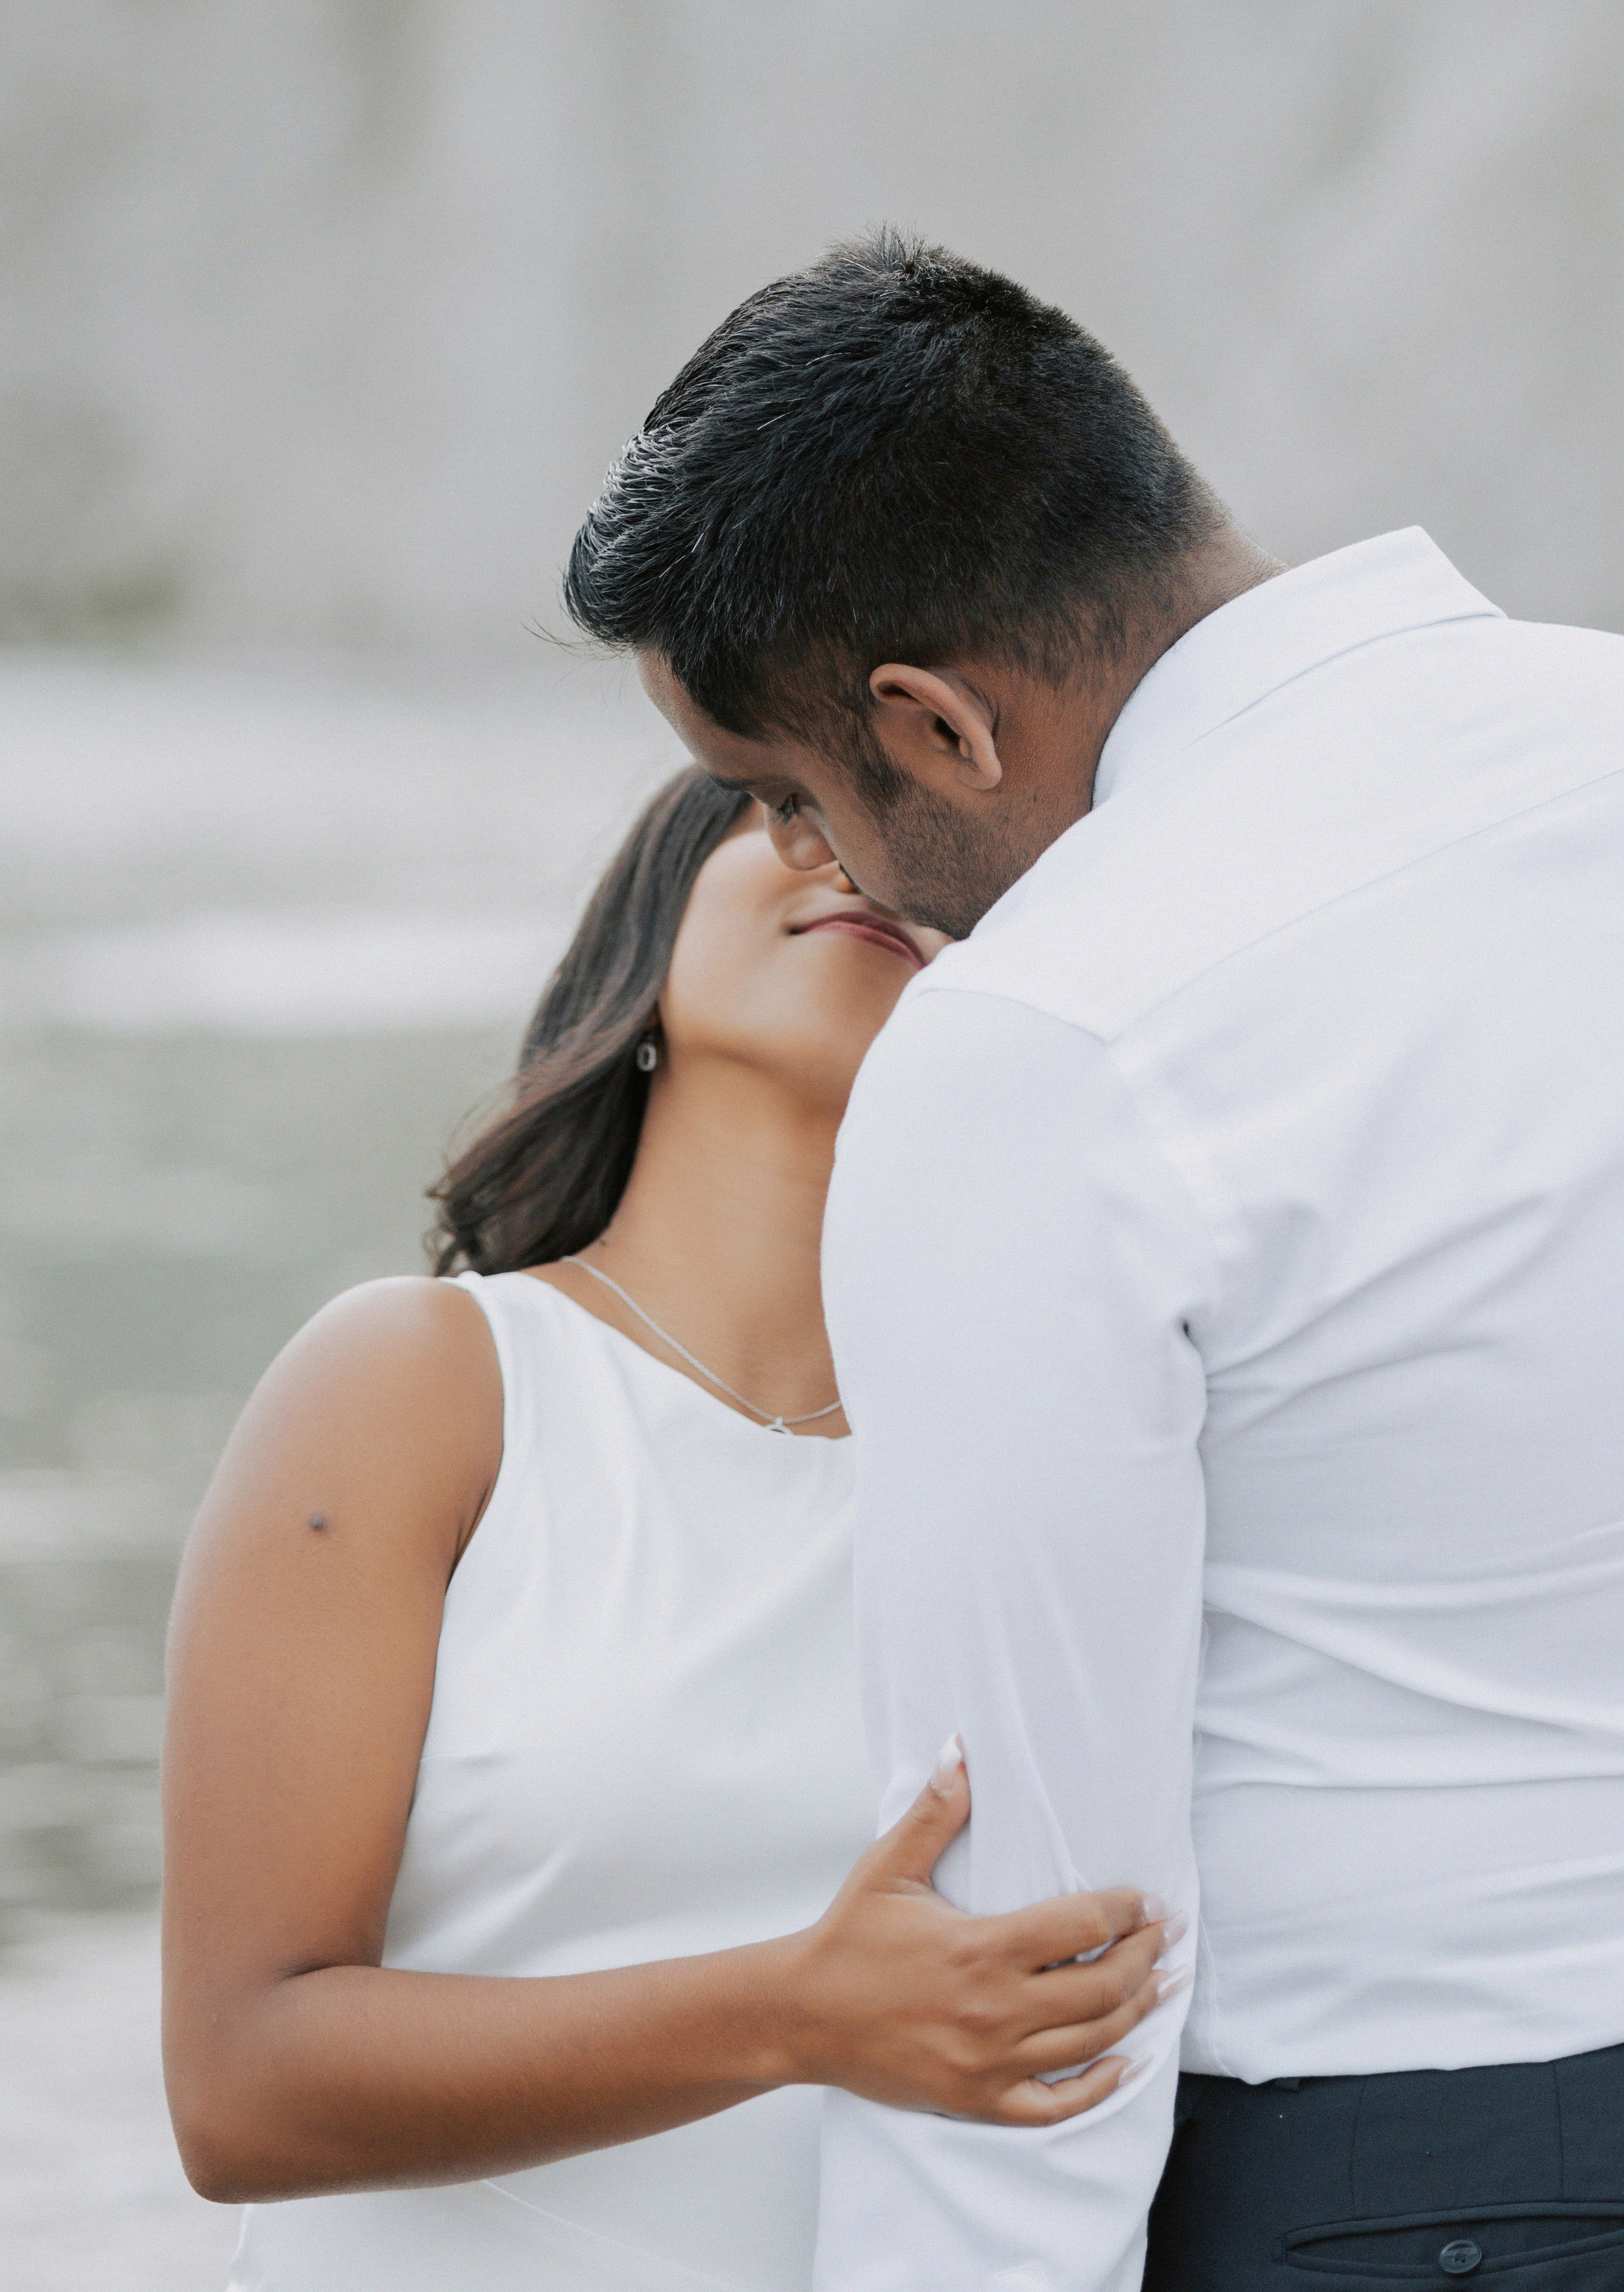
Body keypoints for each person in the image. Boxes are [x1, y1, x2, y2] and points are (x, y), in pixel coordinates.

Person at [563, 231, 1624, 2289]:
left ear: (938, 729)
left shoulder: (1051, 1037)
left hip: (1427, 2181)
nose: (808, 862)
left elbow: (1037, 1924)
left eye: (783, 795)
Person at [161, 767, 1179, 2292]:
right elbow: (240, 2087)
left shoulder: (1048, 1460)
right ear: (641, 948)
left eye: (930, 860)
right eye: (789, 804)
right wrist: (797, 2014)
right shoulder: (424, 1382)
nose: (856, 862)